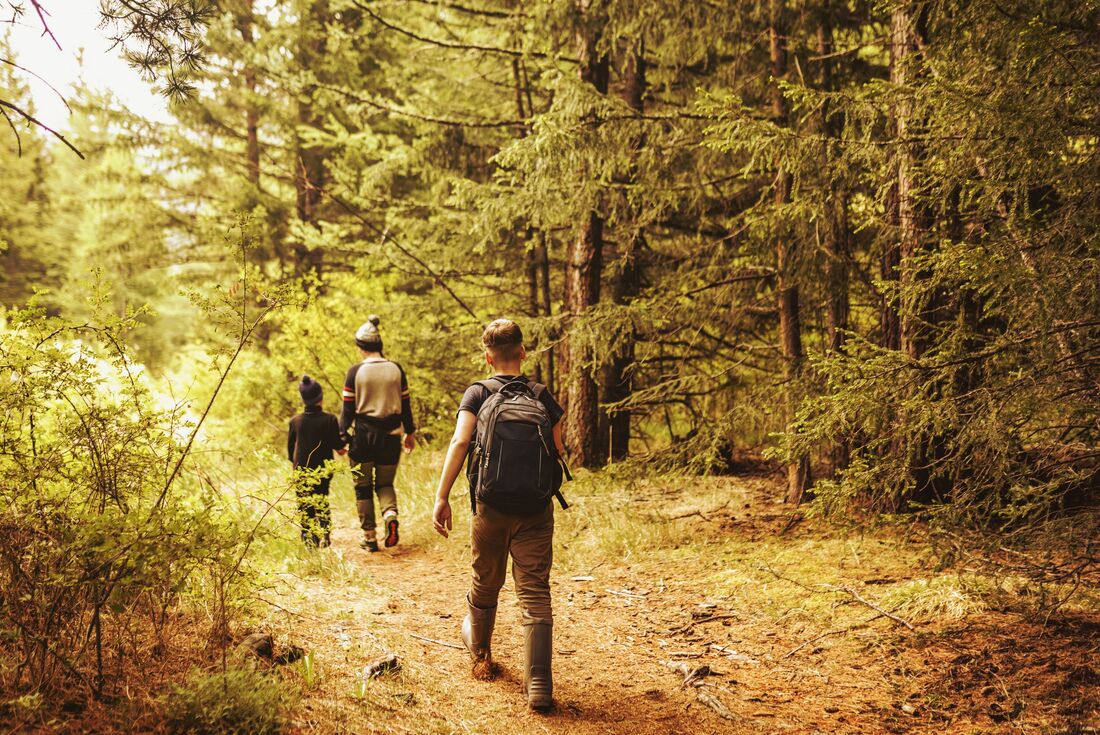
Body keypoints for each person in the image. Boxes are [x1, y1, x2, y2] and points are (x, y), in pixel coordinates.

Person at [432, 318, 568, 712]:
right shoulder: (542, 396)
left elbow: (461, 441)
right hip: (536, 510)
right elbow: (558, 452)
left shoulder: (477, 393)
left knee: (485, 580)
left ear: (487, 357)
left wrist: (442, 497)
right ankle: (539, 684)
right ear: (522, 352)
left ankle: (481, 654)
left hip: (490, 508)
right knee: (535, 592)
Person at [340, 315, 416, 552]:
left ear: (360, 346)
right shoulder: (396, 369)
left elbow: (347, 411)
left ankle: (370, 537)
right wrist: (410, 433)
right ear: (379, 346)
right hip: (392, 436)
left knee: (362, 487)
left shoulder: (355, 372)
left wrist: (342, 438)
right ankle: (390, 514)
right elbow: (406, 405)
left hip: (363, 438)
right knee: (384, 483)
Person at [287, 375, 346, 548]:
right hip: (323, 470)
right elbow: (338, 445)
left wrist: (296, 463)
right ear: (321, 397)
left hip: (301, 471)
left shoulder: (295, 422)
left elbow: (291, 452)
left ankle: (309, 539)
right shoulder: (330, 420)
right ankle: (325, 534)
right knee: (321, 499)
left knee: (305, 504)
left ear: (302, 399)